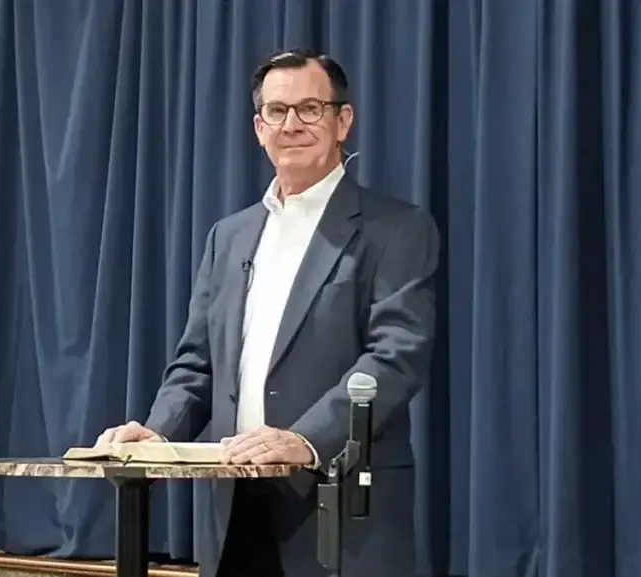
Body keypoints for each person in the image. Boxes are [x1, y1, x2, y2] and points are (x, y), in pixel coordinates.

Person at [97, 49, 439, 577]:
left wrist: (305, 441)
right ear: (259, 128)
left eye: (310, 108)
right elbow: (197, 362)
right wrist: (158, 435)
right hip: (233, 509)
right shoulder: (228, 236)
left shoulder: (396, 228)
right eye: (277, 112)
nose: (292, 125)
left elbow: (395, 358)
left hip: (337, 506)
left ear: (342, 120)